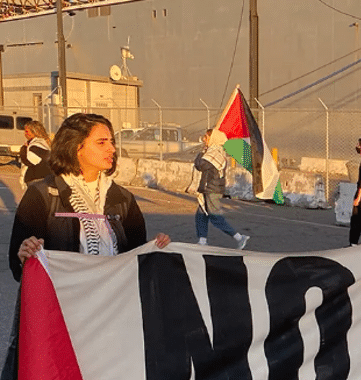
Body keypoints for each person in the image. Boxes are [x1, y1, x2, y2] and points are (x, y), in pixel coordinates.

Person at [8, 113, 170, 281]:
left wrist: (152, 249)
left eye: (111, 142)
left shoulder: (123, 198)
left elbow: (134, 258)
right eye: (101, 142)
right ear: (76, 147)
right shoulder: (42, 195)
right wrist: (25, 256)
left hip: (113, 302)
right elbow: (18, 264)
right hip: (63, 303)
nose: (112, 149)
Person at [194, 129, 250, 249]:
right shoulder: (211, 152)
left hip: (212, 189)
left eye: (206, 137)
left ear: (213, 138)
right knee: (201, 214)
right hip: (208, 188)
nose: (204, 139)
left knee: (215, 216)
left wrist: (200, 154)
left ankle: (239, 237)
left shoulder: (215, 153)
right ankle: (202, 241)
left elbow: (200, 165)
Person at [18, 120, 53, 188]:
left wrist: (23, 150)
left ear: (35, 132)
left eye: (27, 131)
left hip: (36, 181)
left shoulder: (35, 146)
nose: (25, 134)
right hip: (42, 180)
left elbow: (29, 162)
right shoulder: (44, 142)